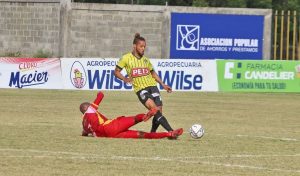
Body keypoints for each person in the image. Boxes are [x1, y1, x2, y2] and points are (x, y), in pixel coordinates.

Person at [114, 33, 178, 133]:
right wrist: (125, 79)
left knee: (159, 111)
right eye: (141, 46)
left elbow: (153, 73)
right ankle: (171, 131)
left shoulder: (146, 60)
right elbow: (116, 71)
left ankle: (152, 133)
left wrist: (163, 84)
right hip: (141, 89)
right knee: (155, 110)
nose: (143, 49)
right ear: (135, 46)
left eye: (144, 46)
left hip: (153, 86)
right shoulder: (126, 58)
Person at [80, 91, 183, 139]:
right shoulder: (90, 109)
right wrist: (99, 93)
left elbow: (84, 133)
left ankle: (169, 134)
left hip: (110, 136)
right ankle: (146, 115)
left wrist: (85, 134)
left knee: (143, 135)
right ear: (87, 107)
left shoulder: (84, 123)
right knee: (135, 119)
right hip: (110, 126)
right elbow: (101, 95)